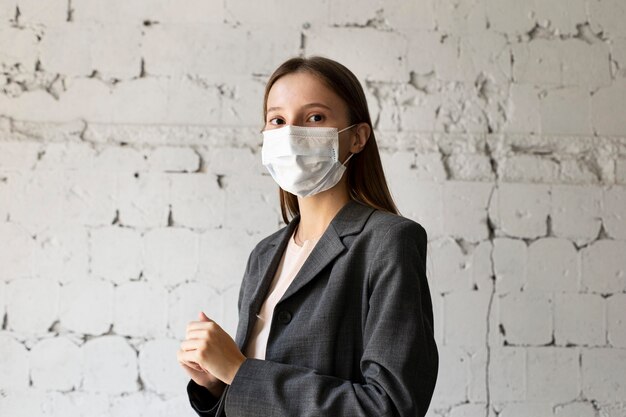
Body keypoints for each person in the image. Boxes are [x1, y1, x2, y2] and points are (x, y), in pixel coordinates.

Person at [177, 56, 438, 417]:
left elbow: (391, 406)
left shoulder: (388, 242)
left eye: (314, 117)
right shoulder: (264, 255)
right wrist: (217, 384)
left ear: (358, 137)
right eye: (277, 120)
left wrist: (239, 371)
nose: (290, 133)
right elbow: (256, 395)